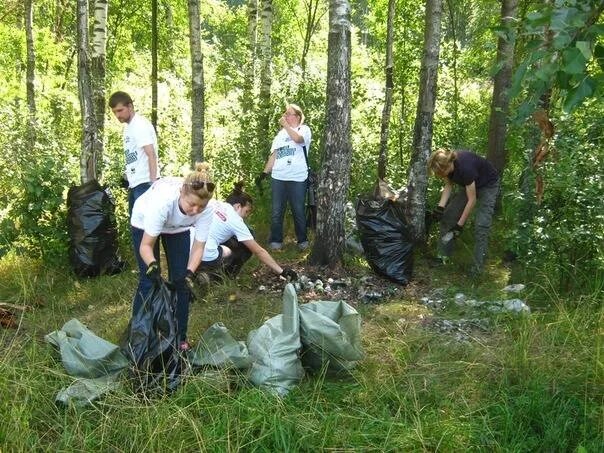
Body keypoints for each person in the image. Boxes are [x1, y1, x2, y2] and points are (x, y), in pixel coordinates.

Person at [130, 162, 216, 351]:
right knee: (148, 281)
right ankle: (138, 338)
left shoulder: (207, 209)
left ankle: (180, 339)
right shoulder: (163, 203)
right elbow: (146, 246)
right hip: (143, 221)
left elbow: (198, 247)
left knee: (181, 283)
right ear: (181, 193)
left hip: (178, 228)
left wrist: (189, 273)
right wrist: (152, 265)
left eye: (200, 207)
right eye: (192, 204)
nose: (195, 211)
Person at [199, 182, 298, 281]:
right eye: (246, 211)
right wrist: (281, 271)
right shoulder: (235, 221)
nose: (246, 216)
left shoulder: (213, 202)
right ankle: (217, 278)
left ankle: (196, 271)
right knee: (239, 248)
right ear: (238, 206)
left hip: (191, 248)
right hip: (206, 256)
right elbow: (258, 251)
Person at [428, 148, 500, 275]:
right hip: (470, 185)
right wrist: (440, 208)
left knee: (481, 225)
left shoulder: (465, 168)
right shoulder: (447, 165)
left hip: (488, 185)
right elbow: (448, 185)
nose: (441, 175)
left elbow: (471, 201)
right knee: (448, 216)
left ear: (448, 165)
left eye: (441, 172)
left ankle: (478, 267)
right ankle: (443, 257)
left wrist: (459, 226)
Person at [255, 103, 312, 251]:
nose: (285, 116)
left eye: (288, 114)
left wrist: (286, 127)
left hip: (298, 178)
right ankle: (276, 241)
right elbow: (274, 154)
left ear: (297, 116)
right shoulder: (280, 135)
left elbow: (299, 140)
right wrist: (264, 173)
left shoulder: (304, 129)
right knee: (277, 210)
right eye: (285, 114)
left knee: (298, 209)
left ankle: (302, 241)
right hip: (279, 177)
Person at [109, 91, 160, 215]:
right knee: (136, 226)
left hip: (145, 183)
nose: (117, 115)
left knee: (144, 229)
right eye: (114, 112)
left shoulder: (139, 125)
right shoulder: (128, 127)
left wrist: (152, 185)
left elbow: (151, 154)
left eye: (120, 110)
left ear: (130, 106)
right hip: (135, 184)